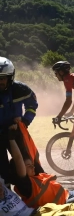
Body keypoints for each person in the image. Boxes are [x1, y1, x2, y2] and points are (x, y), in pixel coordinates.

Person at [0, 56, 41, 188]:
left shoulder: (21, 89)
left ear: (10, 77)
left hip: (16, 132)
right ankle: (6, 197)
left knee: (27, 163)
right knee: (2, 167)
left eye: (2, 78)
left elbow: (32, 106)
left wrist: (24, 120)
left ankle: (35, 192)